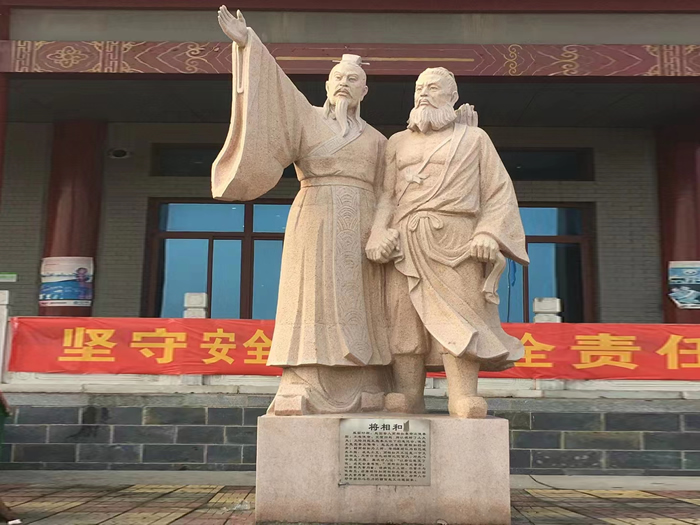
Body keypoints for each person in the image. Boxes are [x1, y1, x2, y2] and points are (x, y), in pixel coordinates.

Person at [213, 7, 392, 415]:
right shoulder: (305, 119)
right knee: (309, 295)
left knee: (364, 301)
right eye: (338, 78)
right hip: (315, 214)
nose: (344, 84)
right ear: (327, 85)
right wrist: (247, 44)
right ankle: (301, 381)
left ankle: (369, 381)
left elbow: (390, 191)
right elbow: (273, 88)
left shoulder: (379, 140)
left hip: (363, 225)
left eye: (353, 79)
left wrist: (383, 231)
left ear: (365, 91)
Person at [366, 67, 529, 418]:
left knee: (461, 317)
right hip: (405, 241)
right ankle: (408, 394)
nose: (424, 93)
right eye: (419, 88)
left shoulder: (475, 139)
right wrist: (378, 233)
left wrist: (488, 233)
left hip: (457, 240)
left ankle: (462, 395)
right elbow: (386, 196)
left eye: (433, 88)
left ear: (452, 97)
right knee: (403, 319)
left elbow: (498, 191)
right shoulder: (397, 142)